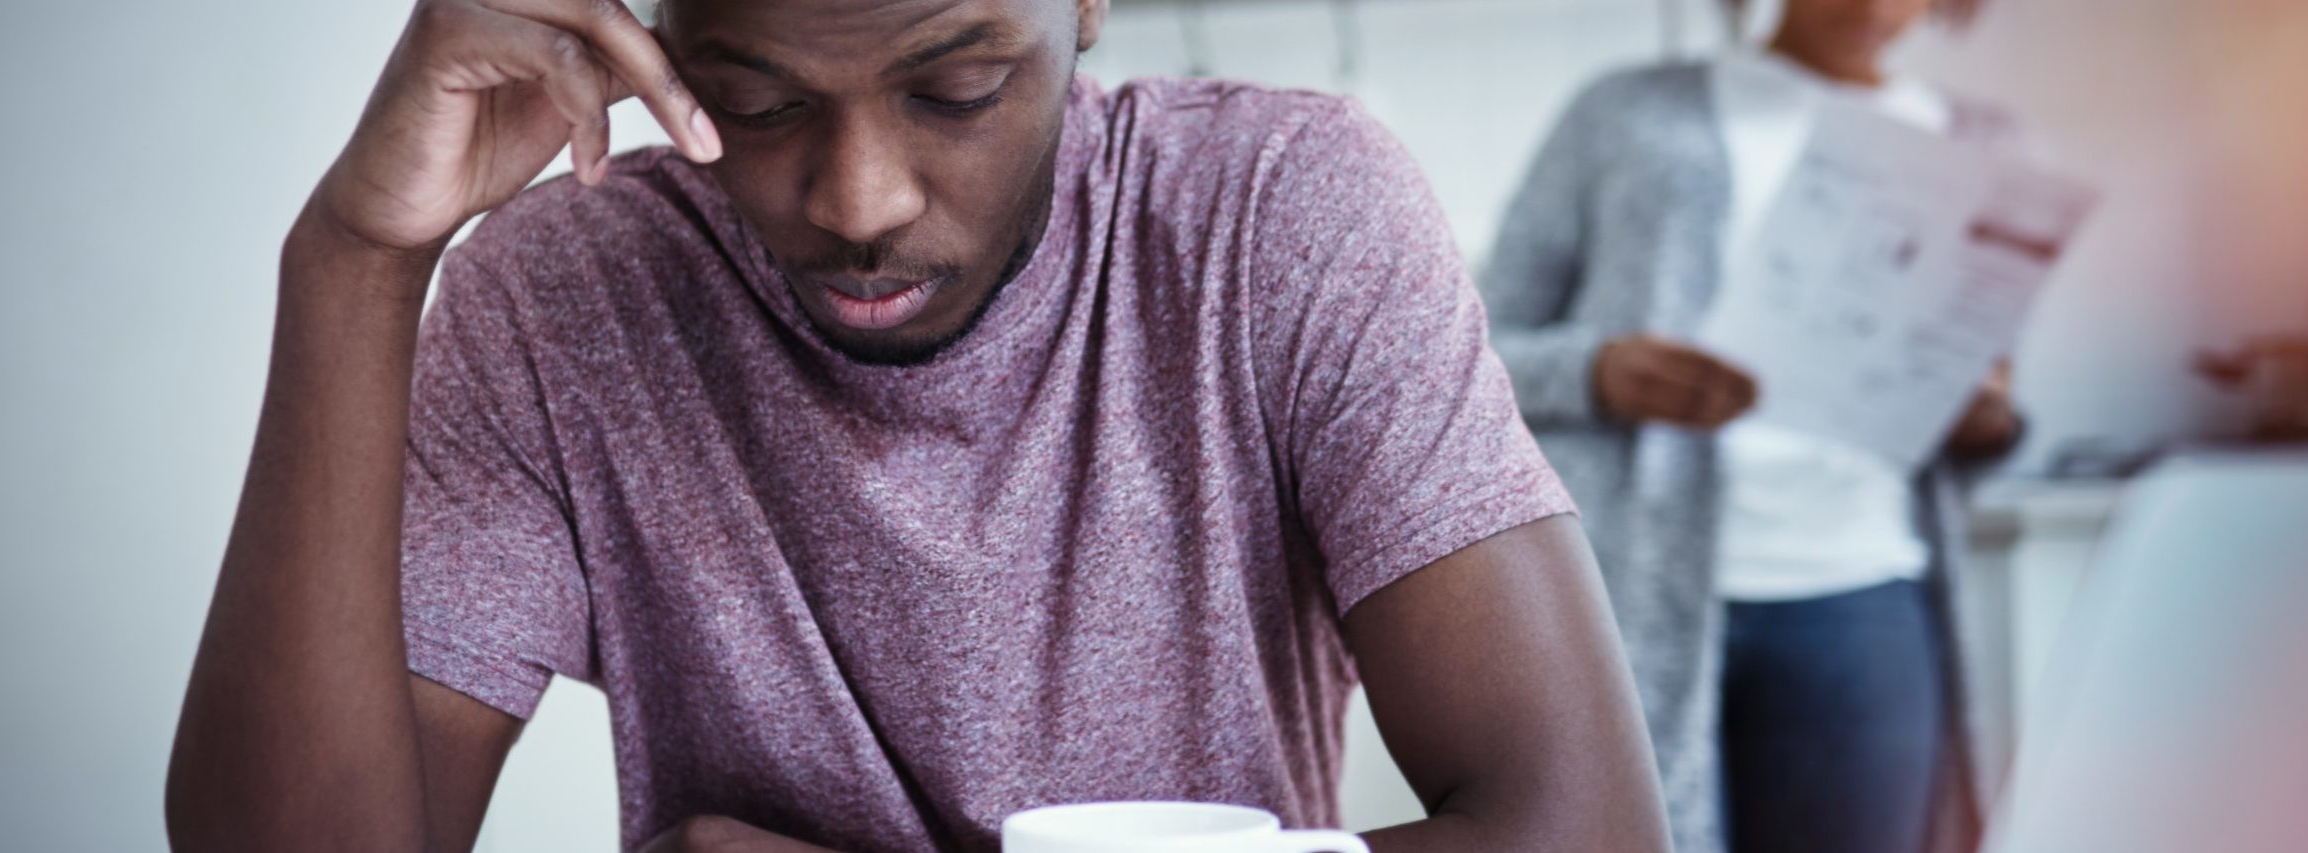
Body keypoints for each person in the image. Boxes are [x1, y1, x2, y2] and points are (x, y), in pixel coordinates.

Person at [161, 0, 1673, 850]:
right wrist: (359, 259)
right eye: (752, 105)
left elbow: (1585, 831)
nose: (856, 202)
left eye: (955, 88)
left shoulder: (1274, 215)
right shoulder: (567, 292)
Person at [1479, 0, 2027, 852]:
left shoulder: (1980, 146)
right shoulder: (1627, 113)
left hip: (1859, 591)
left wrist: (1982, 419)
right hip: (1627, 596)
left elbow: (1982, 392)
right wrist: (1598, 371)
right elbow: (1469, 352)